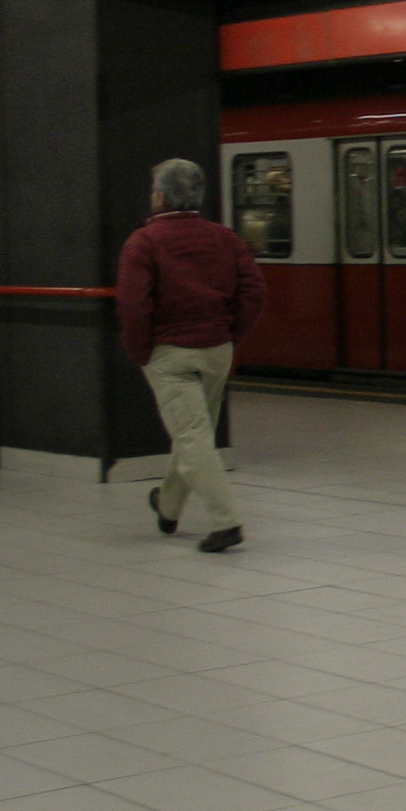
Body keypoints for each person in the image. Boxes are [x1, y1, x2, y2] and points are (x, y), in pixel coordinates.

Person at [117, 157, 266, 553]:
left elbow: (133, 306)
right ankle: (167, 506)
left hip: (170, 354)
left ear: (161, 196)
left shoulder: (143, 243)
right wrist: (232, 336)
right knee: (195, 434)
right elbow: (254, 292)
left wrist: (140, 352)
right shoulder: (226, 238)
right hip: (216, 350)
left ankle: (226, 520)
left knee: (192, 435)